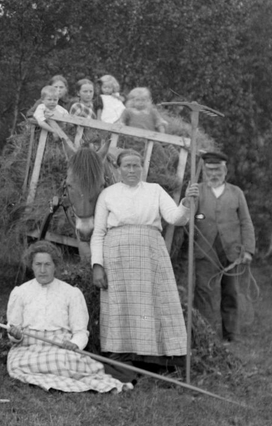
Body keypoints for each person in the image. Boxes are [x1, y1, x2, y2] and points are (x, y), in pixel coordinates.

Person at [91, 148, 200, 372]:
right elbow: (98, 233)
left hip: (150, 254)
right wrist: (97, 266)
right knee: (120, 305)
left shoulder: (154, 190)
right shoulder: (108, 194)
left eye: (136, 165)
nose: (132, 170)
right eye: (127, 166)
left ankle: (157, 361)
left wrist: (187, 202)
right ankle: (120, 359)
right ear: (118, 168)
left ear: (142, 168)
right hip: (117, 256)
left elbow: (175, 218)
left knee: (155, 303)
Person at [6, 241, 130, 393]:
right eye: (38, 264)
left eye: (47, 264)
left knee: (62, 360)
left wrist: (75, 344)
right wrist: (16, 336)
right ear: (31, 265)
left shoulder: (71, 293)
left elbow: (80, 331)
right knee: (16, 365)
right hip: (28, 349)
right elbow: (14, 329)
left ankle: (56, 376)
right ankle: (65, 375)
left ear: (55, 265)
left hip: (61, 348)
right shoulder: (20, 293)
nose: (43, 270)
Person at [191, 151, 255, 343]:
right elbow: (187, 216)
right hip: (205, 250)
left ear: (225, 171)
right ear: (203, 171)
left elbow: (246, 222)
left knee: (232, 292)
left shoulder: (236, 193)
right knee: (203, 293)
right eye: (209, 170)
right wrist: (188, 199)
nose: (214, 174)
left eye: (218, 170)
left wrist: (248, 250)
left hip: (231, 251)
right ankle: (204, 335)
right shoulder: (197, 191)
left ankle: (231, 334)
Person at [32, 84, 74, 150]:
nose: (52, 102)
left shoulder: (61, 109)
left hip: (62, 135)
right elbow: (41, 122)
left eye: (55, 100)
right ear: (42, 100)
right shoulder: (41, 107)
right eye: (49, 99)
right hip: (46, 134)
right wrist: (53, 131)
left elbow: (69, 121)